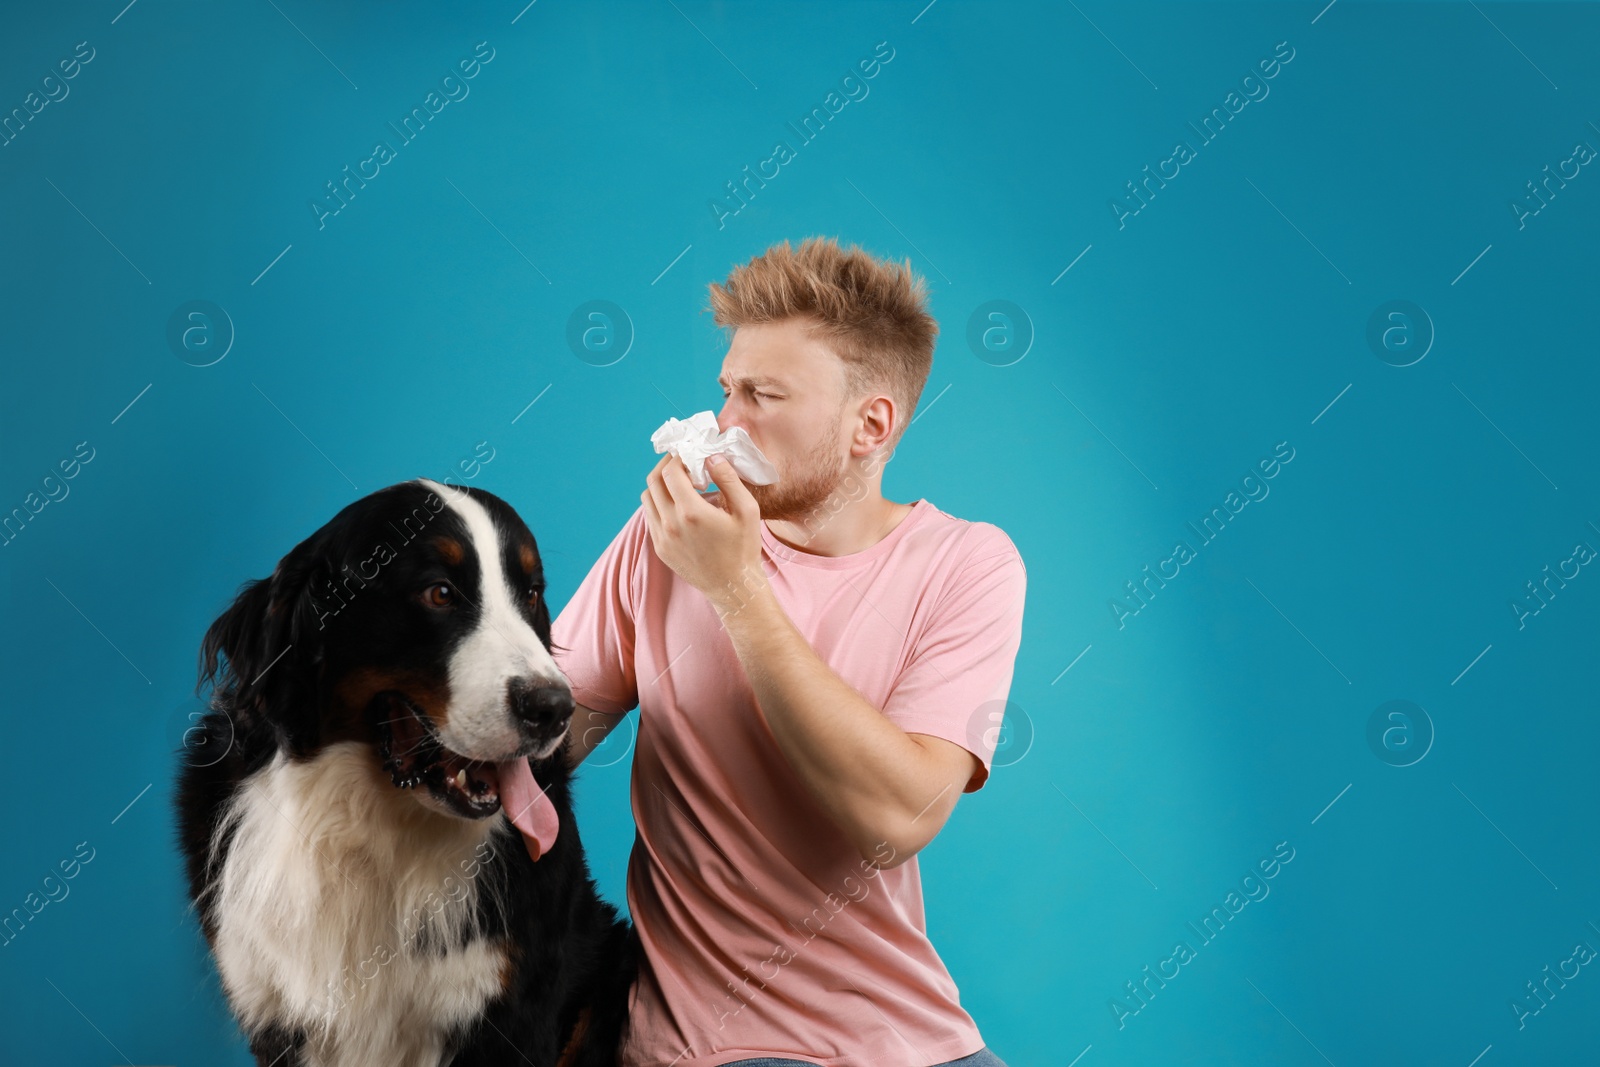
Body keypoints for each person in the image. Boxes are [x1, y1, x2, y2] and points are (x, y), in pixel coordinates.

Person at [552, 236, 1026, 1067]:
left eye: (764, 395)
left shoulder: (968, 563)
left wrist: (735, 590)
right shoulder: (664, 540)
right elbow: (535, 743)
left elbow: (897, 817)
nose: (728, 422)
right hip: (717, 1047)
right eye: (728, 389)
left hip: (917, 1040)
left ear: (869, 425)